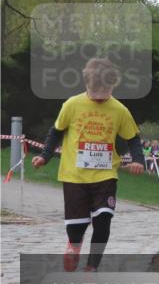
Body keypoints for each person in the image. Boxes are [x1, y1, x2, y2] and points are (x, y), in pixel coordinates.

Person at [33, 58, 146, 272]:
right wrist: (45, 156)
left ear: (113, 85)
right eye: (96, 92)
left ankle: (92, 267)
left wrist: (139, 160)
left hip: (105, 175)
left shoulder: (119, 110)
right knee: (76, 226)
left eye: (106, 91)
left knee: (103, 219)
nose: (101, 96)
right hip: (74, 175)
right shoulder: (72, 105)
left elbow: (133, 138)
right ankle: (73, 247)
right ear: (87, 85)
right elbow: (56, 131)